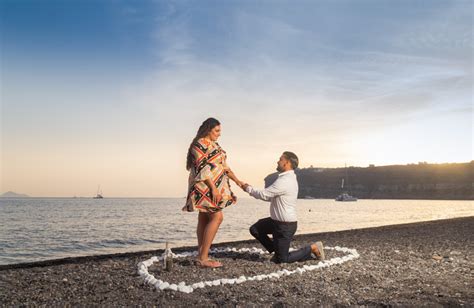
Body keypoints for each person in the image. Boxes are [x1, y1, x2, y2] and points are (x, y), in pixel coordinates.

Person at [241, 151, 325, 263]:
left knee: (282, 260)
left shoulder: (286, 180)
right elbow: (269, 197)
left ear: (287, 162)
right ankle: (276, 251)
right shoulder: (285, 179)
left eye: (280, 159)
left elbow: (264, 194)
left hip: (285, 226)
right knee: (255, 229)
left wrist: (248, 189)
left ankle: (313, 248)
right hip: (275, 222)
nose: (278, 161)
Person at [183, 117, 244, 268]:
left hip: (215, 187)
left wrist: (238, 181)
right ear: (207, 130)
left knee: (204, 218)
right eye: (216, 130)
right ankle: (203, 258)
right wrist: (214, 188)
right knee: (217, 217)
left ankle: (201, 254)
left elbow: (225, 167)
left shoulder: (214, 145)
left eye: (220, 131)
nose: (219, 134)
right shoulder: (199, 144)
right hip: (204, 187)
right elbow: (202, 168)